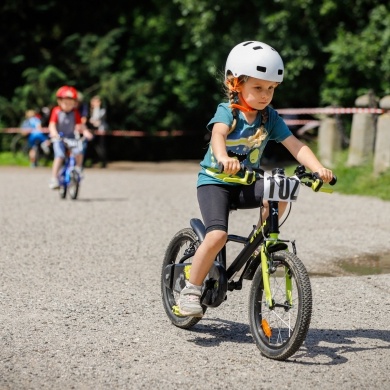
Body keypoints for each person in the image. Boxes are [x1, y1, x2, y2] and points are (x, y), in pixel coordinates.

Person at [177, 41, 334, 317]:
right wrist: (224, 157)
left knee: (281, 190)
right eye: (258, 88)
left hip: (245, 180)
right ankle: (191, 289)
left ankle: (261, 241)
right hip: (215, 181)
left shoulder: (269, 117)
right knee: (217, 235)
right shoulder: (229, 111)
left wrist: (318, 167)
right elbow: (218, 135)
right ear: (235, 84)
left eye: (271, 88)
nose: (265, 95)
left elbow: (295, 145)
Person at [48, 86, 93, 189]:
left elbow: (79, 125)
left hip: (71, 137)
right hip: (59, 137)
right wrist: (54, 133)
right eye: (65, 103)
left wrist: (85, 132)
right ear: (59, 102)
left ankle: (78, 168)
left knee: (79, 151)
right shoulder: (56, 111)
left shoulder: (75, 113)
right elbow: (52, 125)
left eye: (71, 103)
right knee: (59, 156)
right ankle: (54, 178)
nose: (68, 106)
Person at [86, 95, 108, 168]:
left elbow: (96, 117)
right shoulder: (90, 110)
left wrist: (96, 108)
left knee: (101, 147)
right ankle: (92, 161)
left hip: (101, 131)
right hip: (93, 131)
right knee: (92, 147)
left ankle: (103, 162)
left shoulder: (102, 110)